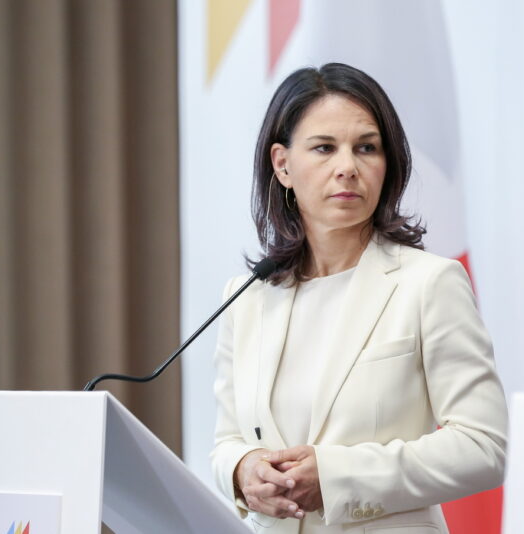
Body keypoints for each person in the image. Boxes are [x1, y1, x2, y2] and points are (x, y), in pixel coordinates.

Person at [211, 63, 508, 534]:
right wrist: (241, 471)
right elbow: (229, 438)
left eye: (366, 147)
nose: (348, 166)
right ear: (283, 165)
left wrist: (335, 477)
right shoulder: (246, 299)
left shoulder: (430, 283)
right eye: (325, 148)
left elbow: (483, 446)